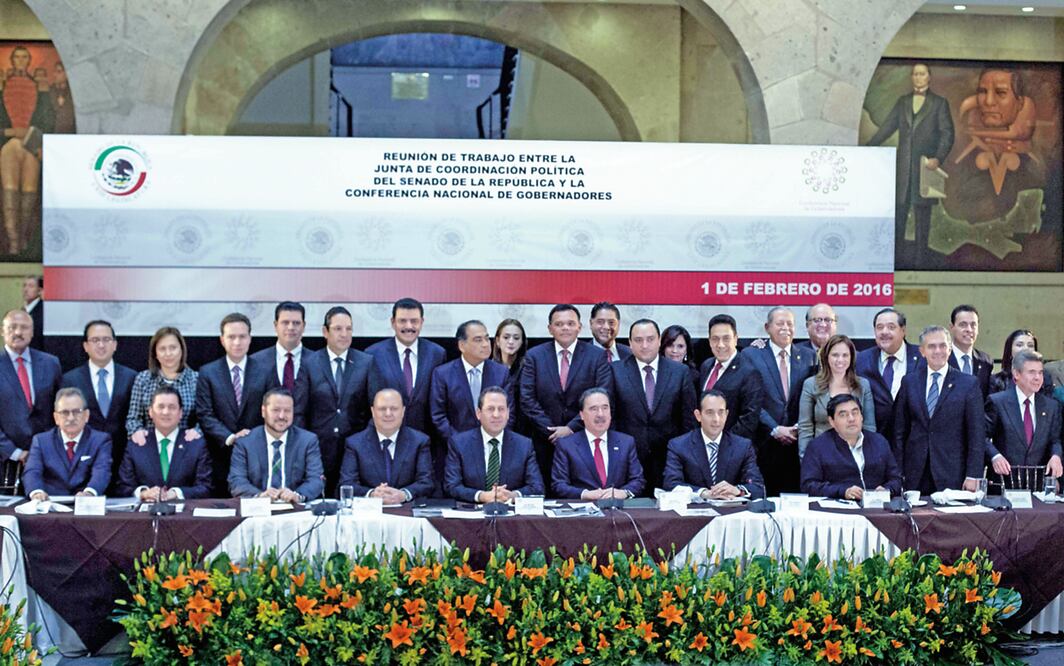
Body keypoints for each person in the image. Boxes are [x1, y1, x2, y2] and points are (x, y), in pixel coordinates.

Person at [866, 62, 954, 269]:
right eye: (915, 74)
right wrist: (868, 147)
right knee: (898, 219)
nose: (918, 77)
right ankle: (896, 263)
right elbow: (887, 128)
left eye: (922, 74)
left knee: (923, 221)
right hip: (903, 172)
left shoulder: (939, 104)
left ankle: (921, 263)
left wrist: (938, 158)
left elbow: (947, 134)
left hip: (925, 170)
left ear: (929, 77)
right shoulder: (903, 102)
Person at [519, 304, 612, 482]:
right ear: (550, 328)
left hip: (583, 438)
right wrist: (553, 431)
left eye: (570, 323)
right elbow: (527, 398)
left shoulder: (596, 356)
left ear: (580, 327)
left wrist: (570, 428)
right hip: (543, 440)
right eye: (559, 324)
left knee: (580, 493)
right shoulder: (534, 356)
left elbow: (604, 394)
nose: (565, 328)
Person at [297, 306, 382, 498]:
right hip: (318, 447)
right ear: (325, 332)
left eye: (349, 329)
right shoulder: (310, 363)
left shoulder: (366, 362)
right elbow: (300, 410)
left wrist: (366, 443)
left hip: (355, 447)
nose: (344, 334)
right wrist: (303, 445)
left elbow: (374, 409)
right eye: (338, 329)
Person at [893, 326, 985, 494]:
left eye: (942, 346)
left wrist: (974, 474)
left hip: (952, 472)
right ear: (922, 351)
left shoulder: (968, 384)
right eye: (931, 346)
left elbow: (976, 434)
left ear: (950, 349)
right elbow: (900, 431)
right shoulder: (909, 382)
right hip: (915, 472)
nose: (938, 351)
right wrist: (897, 473)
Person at [610, 319, 696, 492]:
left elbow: (688, 421)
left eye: (650, 339)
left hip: (669, 461)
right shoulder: (615, 370)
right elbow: (610, 417)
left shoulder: (679, 372)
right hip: (627, 459)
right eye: (638, 340)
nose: (644, 345)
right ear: (630, 343)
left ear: (658, 341)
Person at [741, 307, 814, 495]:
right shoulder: (751, 354)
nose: (786, 328)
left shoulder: (808, 356)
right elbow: (751, 399)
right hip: (764, 443)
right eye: (780, 323)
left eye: (790, 324)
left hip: (797, 444)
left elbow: (812, 396)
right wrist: (774, 428)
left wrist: (799, 426)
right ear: (767, 327)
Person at [196, 313, 271, 494]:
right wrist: (230, 437)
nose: (237, 342)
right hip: (219, 454)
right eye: (231, 337)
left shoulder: (265, 371)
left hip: (256, 456)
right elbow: (204, 413)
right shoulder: (208, 372)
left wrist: (251, 437)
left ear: (250, 338)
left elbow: (270, 410)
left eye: (242, 337)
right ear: (222, 340)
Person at [61, 320, 136, 490]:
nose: (101, 345)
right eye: (95, 340)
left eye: (106, 340)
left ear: (115, 344)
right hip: (84, 463)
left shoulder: (132, 377)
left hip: (123, 460)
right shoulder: (70, 379)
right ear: (85, 346)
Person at [365, 298, 446, 439]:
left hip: (426, 439)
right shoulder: (373, 354)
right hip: (386, 438)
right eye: (402, 321)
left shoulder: (437, 354)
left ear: (422, 322)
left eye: (414, 321)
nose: (409, 326)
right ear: (392, 322)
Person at [444, 386, 543, 503]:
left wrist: (513, 495)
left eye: (501, 409)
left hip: (511, 515)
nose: (496, 415)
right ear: (478, 413)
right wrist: (482, 496)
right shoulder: (459, 444)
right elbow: (451, 486)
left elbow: (537, 488)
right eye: (490, 409)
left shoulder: (524, 445)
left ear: (508, 414)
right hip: (472, 514)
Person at [1, 45, 54, 255]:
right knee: (10, 191)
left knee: (29, 194)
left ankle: (24, 241)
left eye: (25, 57)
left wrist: (31, 136)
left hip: (31, 145)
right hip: (9, 144)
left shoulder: (39, 89)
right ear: (13, 60)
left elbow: (47, 120)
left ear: (29, 61)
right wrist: (11, 132)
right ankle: (13, 242)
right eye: (17, 57)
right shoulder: (2, 86)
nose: (21, 61)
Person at [662, 390, 764, 499]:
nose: (716, 419)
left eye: (721, 412)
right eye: (710, 412)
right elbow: (671, 484)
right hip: (694, 512)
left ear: (727, 414)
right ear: (698, 415)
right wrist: (703, 493)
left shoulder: (742, 446)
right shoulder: (679, 445)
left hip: (731, 512)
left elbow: (758, 487)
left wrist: (738, 490)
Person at [115, 385, 212, 500]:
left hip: (184, 515)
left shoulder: (196, 444)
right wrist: (143, 493)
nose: (166, 412)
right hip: (145, 515)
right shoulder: (137, 444)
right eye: (160, 407)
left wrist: (177, 493)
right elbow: (122, 488)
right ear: (150, 412)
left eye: (172, 407)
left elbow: (206, 488)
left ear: (181, 413)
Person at [800, 393, 902, 500]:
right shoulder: (818, 446)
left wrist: (887, 490)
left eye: (855, 413)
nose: (851, 419)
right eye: (843, 415)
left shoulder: (879, 442)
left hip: (877, 509)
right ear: (832, 421)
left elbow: (896, 479)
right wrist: (843, 491)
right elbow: (808, 485)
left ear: (862, 417)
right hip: (837, 511)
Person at [228, 388, 323, 502]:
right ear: (263, 411)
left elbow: (316, 480)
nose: (282, 416)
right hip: (257, 510)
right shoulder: (245, 442)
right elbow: (236, 481)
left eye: (287, 410)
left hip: (294, 509)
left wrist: (297, 495)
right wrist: (260, 496)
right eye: (276, 410)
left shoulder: (307, 440)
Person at [339, 388, 433, 502]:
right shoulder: (355, 443)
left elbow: (426, 483)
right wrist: (372, 494)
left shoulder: (419, 441)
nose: (388, 414)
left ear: (403, 411)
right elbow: (346, 484)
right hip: (369, 512)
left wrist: (404, 495)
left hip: (407, 513)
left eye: (394, 408)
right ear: (373, 411)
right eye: (382, 409)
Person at [985, 350, 1063, 486]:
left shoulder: (1051, 406)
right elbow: (981, 437)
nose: (1037, 377)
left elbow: (1055, 440)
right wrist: (995, 456)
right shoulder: (997, 402)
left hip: (1037, 485)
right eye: (1031, 372)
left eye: (1040, 372)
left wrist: (1056, 456)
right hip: (1003, 483)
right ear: (1016, 374)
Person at [551, 388, 644, 500]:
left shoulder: (626, 442)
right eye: (593, 409)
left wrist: (624, 493)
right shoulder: (566, 445)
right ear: (581, 415)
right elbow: (558, 485)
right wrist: (585, 494)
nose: (600, 414)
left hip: (619, 511)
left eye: (605, 408)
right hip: (583, 512)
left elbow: (638, 481)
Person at [430, 320, 511, 444]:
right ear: (462, 345)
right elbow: (438, 416)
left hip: (492, 445)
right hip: (455, 446)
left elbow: (510, 412)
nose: (485, 344)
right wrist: (460, 442)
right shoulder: (443, 374)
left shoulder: (501, 373)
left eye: (487, 338)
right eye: (478, 340)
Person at [23, 387, 111, 500]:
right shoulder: (41, 441)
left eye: (76, 412)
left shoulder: (100, 440)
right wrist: (36, 493)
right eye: (65, 412)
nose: (71, 418)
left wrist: (89, 493)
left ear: (86, 415)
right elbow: (32, 471)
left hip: (85, 504)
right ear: (56, 418)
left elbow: (102, 471)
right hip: (49, 504)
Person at [797, 335, 876, 459]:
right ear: (826, 357)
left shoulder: (863, 385)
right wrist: (806, 459)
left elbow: (869, 426)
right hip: (822, 455)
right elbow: (805, 427)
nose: (840, 360)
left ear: (852, 358)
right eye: (835, 355)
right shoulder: (810, 385)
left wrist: (869, 456)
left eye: (845, 355)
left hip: (856, 455)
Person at [0, 309, 61, 463]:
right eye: (12, 327)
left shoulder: (51, 363)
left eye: (24, 327)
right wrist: (14, 453)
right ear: (2, 331)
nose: (18, 332)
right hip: (5, 460)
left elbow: (59, 409)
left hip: (47, 456)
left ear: (32, 332)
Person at [855, 308, 923, 441]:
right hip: (874, 439)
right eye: (879, 327)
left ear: (903, 331)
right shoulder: (862, 359)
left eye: (891, 327)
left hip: (912, 440)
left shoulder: (922, 357)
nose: (884, 332)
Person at [126, 327, 200, 443]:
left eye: (173, 348)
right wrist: (137, 432)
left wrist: (197, 431)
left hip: (186, 444)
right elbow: (133, 418)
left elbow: (205, 417)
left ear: (182, 350)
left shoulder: (196, 379)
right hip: (150, 444)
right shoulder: (143, 379)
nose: (168, 353)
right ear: (155, 353)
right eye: (162, 349)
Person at [697, 314, 762, 440]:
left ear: (736, 339)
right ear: (709, 341)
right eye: (715, 339)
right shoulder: (706, 366)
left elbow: (749, 420)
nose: (720, 345)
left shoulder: (749, 372)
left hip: (732, 448)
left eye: (726, 338)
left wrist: (722, 444)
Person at [248, 301, 307, 398]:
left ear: (304, 326)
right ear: (275, 325)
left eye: (296, 323)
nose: (291, 327)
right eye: (285, 322)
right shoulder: (255, 362)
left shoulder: (317, 362)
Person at [946, 305, 992, 398]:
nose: (969, 330)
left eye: (973, 325)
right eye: (963, 325)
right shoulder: (943, 358)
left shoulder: (985, 361)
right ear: (952, 327)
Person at [989, 329, 1052, 396]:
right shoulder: (998, 380)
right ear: (1010, 349)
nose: (1025, 349)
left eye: (1030, 345)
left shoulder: (1045, 378)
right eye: (1019, 345)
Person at [22, 275, 42, 350]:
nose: (26, 289)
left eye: (31, 286)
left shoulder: (43, 311)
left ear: (39, 290)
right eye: (24, 286)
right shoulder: (22, 311)